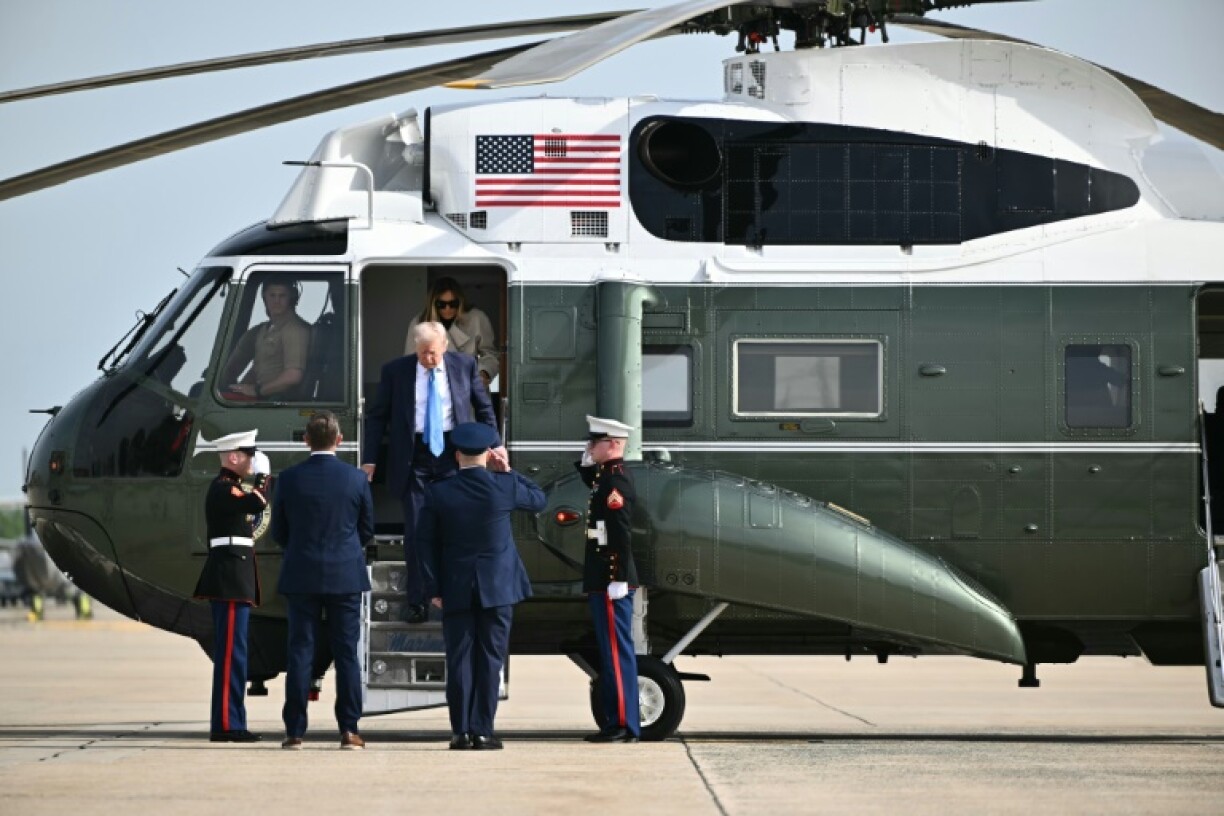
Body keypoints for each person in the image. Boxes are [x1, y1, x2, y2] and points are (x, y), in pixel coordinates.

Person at [362, 321, 507, 624]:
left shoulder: (464, 365)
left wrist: (495, 444)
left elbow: (484, 408)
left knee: (455, 529)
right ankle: (418, 600)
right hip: (413, 457)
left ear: (445, 346)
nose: (429, 358)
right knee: (417, 532)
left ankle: (456, 598)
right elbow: (377, 418)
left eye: (434, 352)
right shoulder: (396, 371)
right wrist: (370, 459)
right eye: (423, 353)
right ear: (416, 347)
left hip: (453, 456)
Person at [418, 422, 546, 750]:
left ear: (457, 454)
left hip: (455, 587)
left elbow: (425, 545)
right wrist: (507, 470)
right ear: (489, 453)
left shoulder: (438, 491)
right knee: (490, 658)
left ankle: (460, 732)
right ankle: (483, 730)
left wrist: (433, 588)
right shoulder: (503, 486)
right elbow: (539, 500)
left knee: (459, 658)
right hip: (499, 586)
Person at [271, 411, 374, 750]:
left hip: (301, 573)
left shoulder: (288, 478)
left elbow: (279, 532)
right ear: (340, 440)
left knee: (300, 651)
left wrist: (301, 549)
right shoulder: (356, 479)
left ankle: (295, 731)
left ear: (305, 440)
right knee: (346, 653)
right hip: (345, 574)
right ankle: (349, 729)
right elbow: (366, 530)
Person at [192, 429, 269, 743]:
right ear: (234, 457)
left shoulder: (231, 487)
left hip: (234, 581)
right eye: (249, 455)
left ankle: (232, 721)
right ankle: (226, 724)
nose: (252, 460)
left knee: (236, 654)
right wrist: (264, 477)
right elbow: (256, 502)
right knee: (230, 656)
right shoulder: (224, 488)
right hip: (229, 582)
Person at [576, 415, 641, 743]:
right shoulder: (607, 477)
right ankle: (618, 720)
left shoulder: (616, 483)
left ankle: (623, 725)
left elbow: (619, 533)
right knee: (611, 650)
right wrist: (586, 461)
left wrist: (616, 578)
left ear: (613, 444)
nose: (590, 446)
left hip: (611, 579)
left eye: (595, 442)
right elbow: (593, 482)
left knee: (616, 651)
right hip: (604, 578)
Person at [222, 280, 311, 399]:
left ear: (292, 298)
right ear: (264, 298)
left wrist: (258, 391)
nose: (276, 301)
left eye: (282, 296)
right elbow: (243, 368)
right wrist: (237, 388)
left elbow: (293, 376)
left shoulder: (295, 330)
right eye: (272, 295)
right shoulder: (261, 330)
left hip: (275, 400)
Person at [404, 277, 499, 387]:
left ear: (460, 301)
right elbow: (409, 361)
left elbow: (491, 354)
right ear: (433, 304)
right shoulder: (419, 322)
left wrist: (484, 373)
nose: (447, 308)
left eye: (453, 304)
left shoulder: (477, 319)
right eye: (442, 304)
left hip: (469, 389)